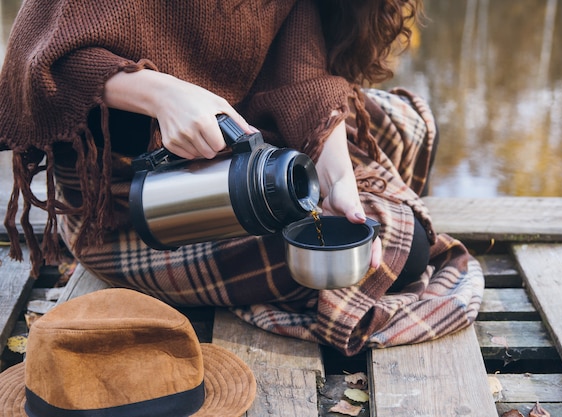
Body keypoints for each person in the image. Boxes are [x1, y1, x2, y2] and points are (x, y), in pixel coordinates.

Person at [0, 0, 483, 356]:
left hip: (236, 155)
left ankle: (287, 271)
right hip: (127, 208)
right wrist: (160, 95)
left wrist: (336, 179)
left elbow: (301, 78)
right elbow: (33, 65)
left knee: (407, 122)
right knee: (405, 241)